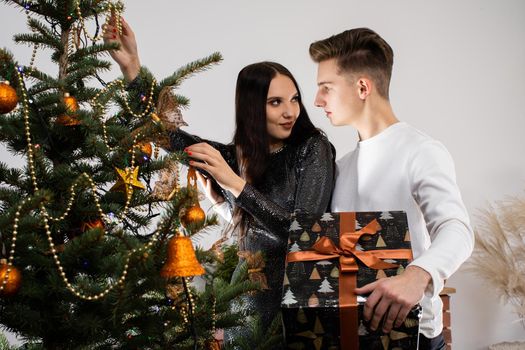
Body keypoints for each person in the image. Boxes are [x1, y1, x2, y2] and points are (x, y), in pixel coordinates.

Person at [104, 18, 335, 344]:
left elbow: (304, 234)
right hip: (245, 308)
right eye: (276, 102)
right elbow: (168, 135)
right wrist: (132, 69)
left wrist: (236, 186)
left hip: (297, 311)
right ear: (252, 108)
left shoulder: (313, 149)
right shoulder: (236, 157)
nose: (290, 111)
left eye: (294, 99)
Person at [309, 28, 474, 350]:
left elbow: (457, 228)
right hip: (350, 335)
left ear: (362, 87)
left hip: (414, 337)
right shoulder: (340, 166)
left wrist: (418, 275)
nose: (317, 100)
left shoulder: (421, 150)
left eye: (326, 88)